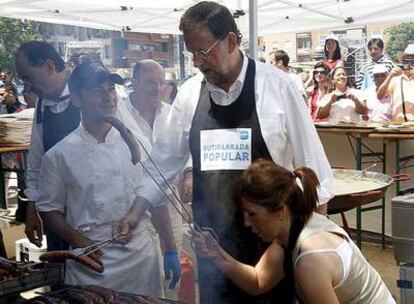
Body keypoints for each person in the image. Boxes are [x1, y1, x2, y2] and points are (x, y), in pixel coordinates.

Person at [136, 2, 333, 303]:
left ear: (230, 41)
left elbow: (315, 175)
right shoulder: (190, 94)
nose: (199, 63)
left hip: (274, 251)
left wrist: (312, 250)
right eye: (192, 54)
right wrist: (135, 210)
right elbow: (162, 161)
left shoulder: (277, 88)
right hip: (214, 250)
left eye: (204, 51)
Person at [36, 59, 163, 294]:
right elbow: (48, 209)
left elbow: (154, 190)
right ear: (76, 99)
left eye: (111, 89)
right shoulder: (59, 154)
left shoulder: (137, 142)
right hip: (92, 262)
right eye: (97, 91)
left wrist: (170, 247)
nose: (108, 97)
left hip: (140, 259)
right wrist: (75, 239)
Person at [194, 159, 395, 304]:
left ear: (281, 209)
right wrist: (216, 254)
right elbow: (258, 281)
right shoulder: (293, 229)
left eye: (253, 214)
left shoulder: (310, 260)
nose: (246, 222)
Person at [117, 59, 187, 296]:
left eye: (161, 83)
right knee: (142, 272)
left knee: (171, 266)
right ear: (134, 82)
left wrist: (188, 173)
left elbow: (184, 150)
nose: (157, 88)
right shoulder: (119, 112)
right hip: (132, 200)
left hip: (169, 199)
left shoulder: (171, 114)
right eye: (150, 82)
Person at [15, 40, 81, 250]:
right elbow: (36, 160)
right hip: (56, 214)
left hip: (88, 209)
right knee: (60, 275)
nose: (27, 87)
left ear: (50, 66)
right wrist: (32, 208)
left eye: (29, 77)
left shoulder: (87, 93)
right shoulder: (42, 105)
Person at [377, 44, 414, 122]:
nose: (410, 63)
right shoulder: (395, 79)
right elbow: (380, 95)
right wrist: (389, 76)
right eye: (406, 60)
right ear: (402, 63)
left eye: (413, 60)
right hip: (399, 125)